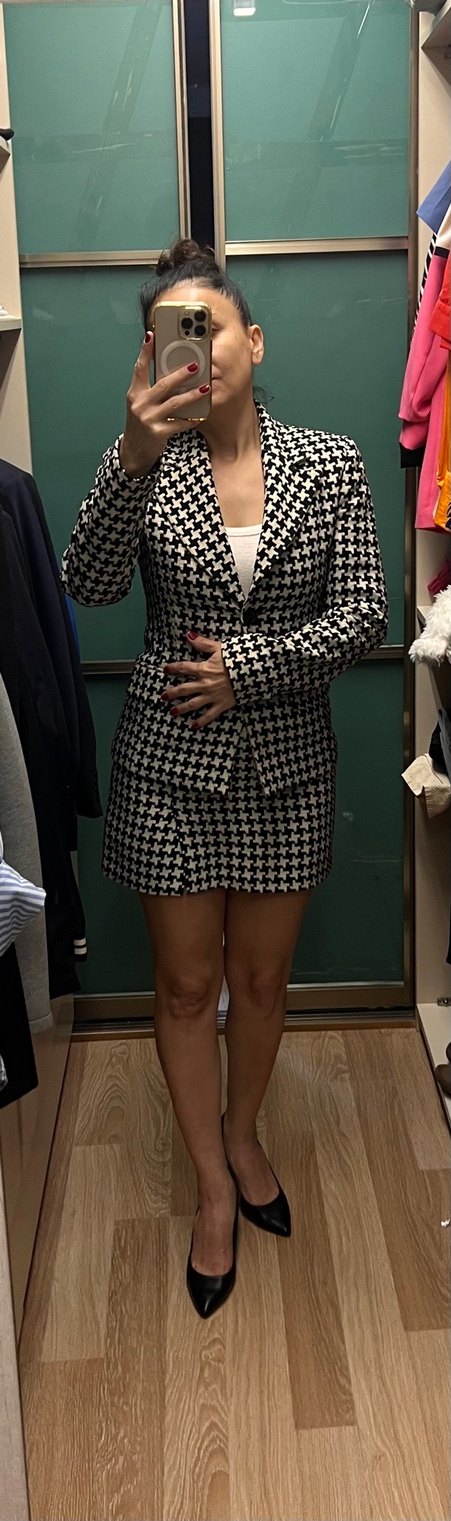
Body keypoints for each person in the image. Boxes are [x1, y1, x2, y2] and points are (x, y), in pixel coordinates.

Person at [61, 238, 388, 1319]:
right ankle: (211, 1184)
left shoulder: (329, 463)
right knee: (183, 987)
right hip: (167, 765)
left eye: (209, 325)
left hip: (286, 764)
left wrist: (247, 668)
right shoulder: (143, 463)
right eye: (172, 333)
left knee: (261, 980)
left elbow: (364, 613)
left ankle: (244, 1137)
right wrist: (130, 452)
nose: (193, 347)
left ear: (254, 339)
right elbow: (86, 584)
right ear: (155, 355)